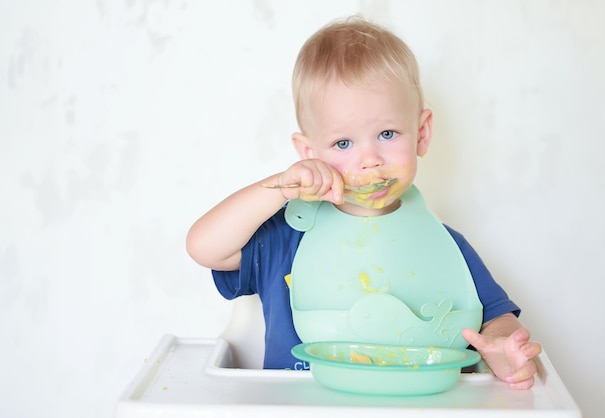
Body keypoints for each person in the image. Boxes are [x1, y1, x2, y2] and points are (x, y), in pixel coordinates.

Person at [186, 16, 542, 390]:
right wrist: (278, 189)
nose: (369, 159)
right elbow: (204, 247)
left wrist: (502, 347)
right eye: (343, 143)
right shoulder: (289, 235)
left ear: (421, 133)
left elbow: (495, 318)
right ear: (310, 152)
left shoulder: (442, 246)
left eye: (387, 134)